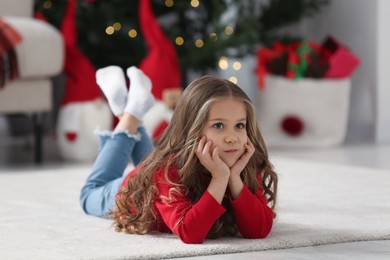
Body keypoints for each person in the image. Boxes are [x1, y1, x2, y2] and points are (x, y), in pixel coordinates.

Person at [80, 66, 278, 244]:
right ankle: (130, 115)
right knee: (89, 195)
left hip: (155, 179)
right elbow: (190, 233)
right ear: (192, 129)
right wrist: (220, 178)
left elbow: (259, 230)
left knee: (151, 163)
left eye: (239, 125)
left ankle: (131, 108)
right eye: (219, 125)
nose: (232, 138)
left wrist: (234, 178)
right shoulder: (166, 171)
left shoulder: (243, 163)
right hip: (133, 192)